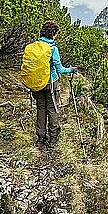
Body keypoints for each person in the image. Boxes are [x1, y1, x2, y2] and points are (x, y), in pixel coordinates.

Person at [32, 20, 76, 149]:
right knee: (52, 109)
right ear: (53, 34)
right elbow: (60, 69)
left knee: (41, 109)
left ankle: (40, 138)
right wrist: (71, 70)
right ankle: (52, 138)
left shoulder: (34, 46)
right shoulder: (53, 49)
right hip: (51, 83)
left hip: (37, 83)